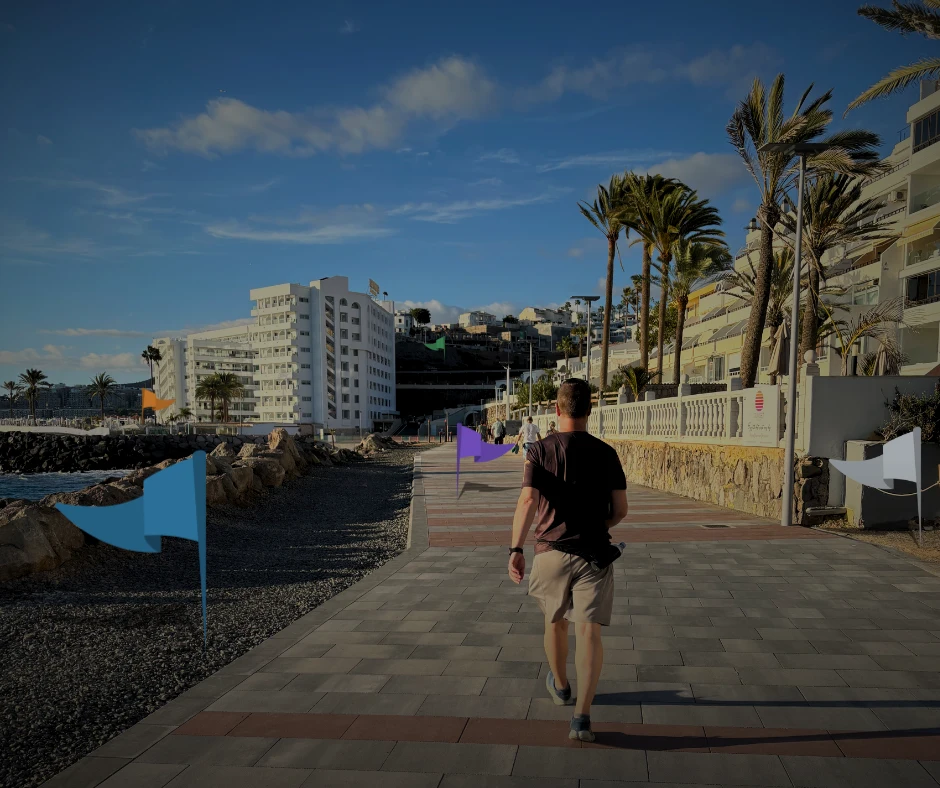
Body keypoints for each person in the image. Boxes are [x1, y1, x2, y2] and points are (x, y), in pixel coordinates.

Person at [507, 378, 629, 743]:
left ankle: (560, 686)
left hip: (551, 553)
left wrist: (515, 550)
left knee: (555, 621)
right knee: (589, 632)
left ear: (557, 410)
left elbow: (528, 501)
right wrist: (598, 525)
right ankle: (581, 719)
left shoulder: (539, 450)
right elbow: (621, 509)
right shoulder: (607, 453)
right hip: (594, 555)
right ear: (590, 410)